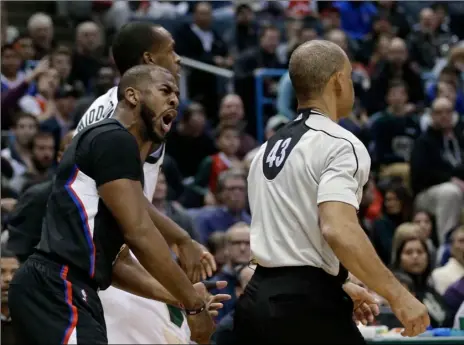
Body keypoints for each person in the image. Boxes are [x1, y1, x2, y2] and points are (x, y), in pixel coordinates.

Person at [231, 40, 430, 344]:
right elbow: (338, 228)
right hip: (304, 309)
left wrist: (341, 281)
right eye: (349, 77)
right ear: (338, 80)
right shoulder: (340, 143)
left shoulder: (266, 150)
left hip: (256, 299)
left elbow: (289, 238)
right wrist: (399, 296)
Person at [8, 65, 220, 344]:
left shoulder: (114, 153)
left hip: (68, 289)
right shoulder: (114, 137)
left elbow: (116, 265)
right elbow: (140, 233)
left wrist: (181, 298)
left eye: (177, 95)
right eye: (165, 91)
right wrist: (193, 304)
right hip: (57, 286)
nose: (175, 100)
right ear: (132, 95)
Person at [75, 22, 218, 343]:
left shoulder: (102, 105)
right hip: (105, 251)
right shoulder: (139, 115)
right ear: (149, 60)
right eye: (171, 51)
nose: (179, 60)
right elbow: (124, 199)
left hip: (95, 248)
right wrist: (182, 239)